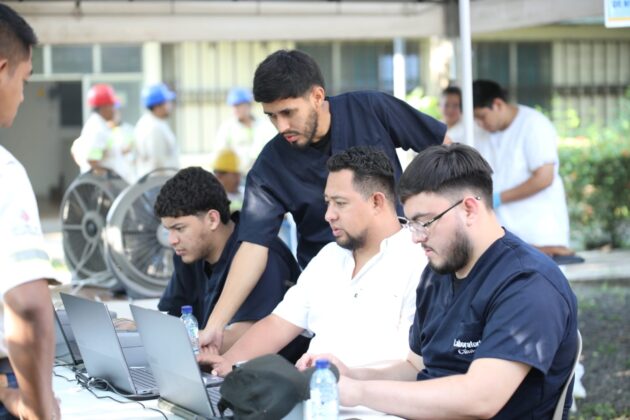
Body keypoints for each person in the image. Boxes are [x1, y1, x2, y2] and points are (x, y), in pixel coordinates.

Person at [302, 144, 579, 419]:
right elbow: (416, 368)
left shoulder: (528, 283)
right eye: (411, 223)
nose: (416, 237)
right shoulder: (437, 274)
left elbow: (481, 399)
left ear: (469, 209)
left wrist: (360, 393)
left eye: (424, 222)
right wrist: (352, 375)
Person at [200, 49, 446, 351]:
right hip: (331, 287)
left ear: (317, 96)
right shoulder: (271, 165)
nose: (281, 126)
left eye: (288, 112)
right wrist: (216, 325)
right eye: (271, 116)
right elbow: (253, 246)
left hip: (400, 267)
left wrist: (433, 220)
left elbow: (446, 154)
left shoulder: (371, 109)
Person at [199, 147, 426, 375]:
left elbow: (414, 368)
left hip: (373, 396)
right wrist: (226, 364)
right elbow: (278, 325)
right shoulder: (329, 257)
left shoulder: (418, 260)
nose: (328, 215)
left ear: (376, 202)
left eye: (340, 203)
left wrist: (352, 379)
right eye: (327, 203)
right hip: (311, 391)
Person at [154, 167, 301, 352]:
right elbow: (171, 317)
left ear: (212, 219)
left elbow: (244, 338)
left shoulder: (264, 255)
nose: (172, 240)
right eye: (168, 230)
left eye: (179, 228)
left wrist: (169, 344)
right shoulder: (189, 253)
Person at [0, 4, 60, 419]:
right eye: (24, 80)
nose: (23, 96)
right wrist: (39, 410)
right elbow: (28, 305)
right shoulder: (5, 172)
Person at [472, 79, 573, 258]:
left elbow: (544, 177)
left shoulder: (533, 124)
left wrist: (499, 198)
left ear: (497, 104)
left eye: (482, 116)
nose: (479, 123)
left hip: (540, 232)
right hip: (503, 233)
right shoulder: (481, 132)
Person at [71, 84, 133, 181]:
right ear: (104, 107)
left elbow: (106, 152)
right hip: (103, 186)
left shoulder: (102, 126)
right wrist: (108, 180)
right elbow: (92, 160)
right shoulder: (97, 129)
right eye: (112, 106)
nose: (114, 110)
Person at [215, 87, 276, 171]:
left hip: (262, 171)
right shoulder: (227, 128)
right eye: (233, 106)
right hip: (236, 173)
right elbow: (220, 152)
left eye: (239, 105)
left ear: (248, 105)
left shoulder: (264, 126)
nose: (235, 109)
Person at [134, 83, 179, 178]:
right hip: (159, 181)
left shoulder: (154, 122)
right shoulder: (154, 127)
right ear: (157, 106)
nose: (170, 105)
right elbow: (158, 162)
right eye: (167, 102)